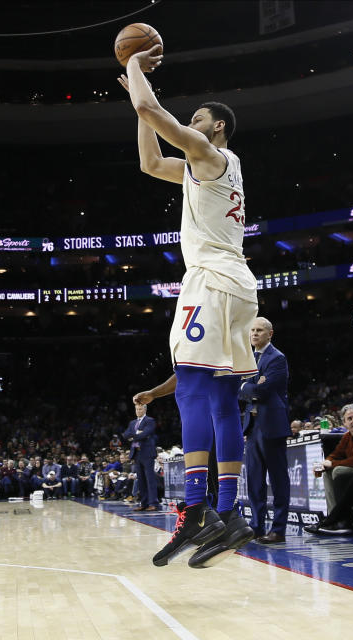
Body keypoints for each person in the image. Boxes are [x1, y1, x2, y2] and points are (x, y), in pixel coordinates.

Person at [121, 46, 257, 568]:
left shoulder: (210, 152)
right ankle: (230, 514)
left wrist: (136, 67)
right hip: (236, 284)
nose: (192, 122)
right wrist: (137, 105)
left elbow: (156, 114)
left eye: (199, 118)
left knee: (194, 389)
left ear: (217, 127)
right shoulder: (210, 169)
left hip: (212, 282)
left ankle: (196, 509)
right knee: (222, 399)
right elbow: (150, 161)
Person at [240, 317, 292, 544]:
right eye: (252, 330)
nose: (254, 334)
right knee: (254, 480)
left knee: (278, 480)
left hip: (272, 424)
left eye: (259, 330)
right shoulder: (248, 358)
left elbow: (264, 391)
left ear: (270, 334)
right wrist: (250, 386)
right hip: (252, 427)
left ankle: (278, 529)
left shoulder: (277, 358)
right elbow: (240, 390)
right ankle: (256, 527)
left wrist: (247, 387)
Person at [123, 403, 160, 512]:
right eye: (137, 409)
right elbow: (125, 435)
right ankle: (144, 503)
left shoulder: (150, 421)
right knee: (141, 480)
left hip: (147, 453)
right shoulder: (132, 422)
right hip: (136, 454)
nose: (138, 411)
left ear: (144, 410)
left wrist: (133, 435)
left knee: (150, 479)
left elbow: (146, 433)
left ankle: (153, 503)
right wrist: (138, 434)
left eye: (140, 409)